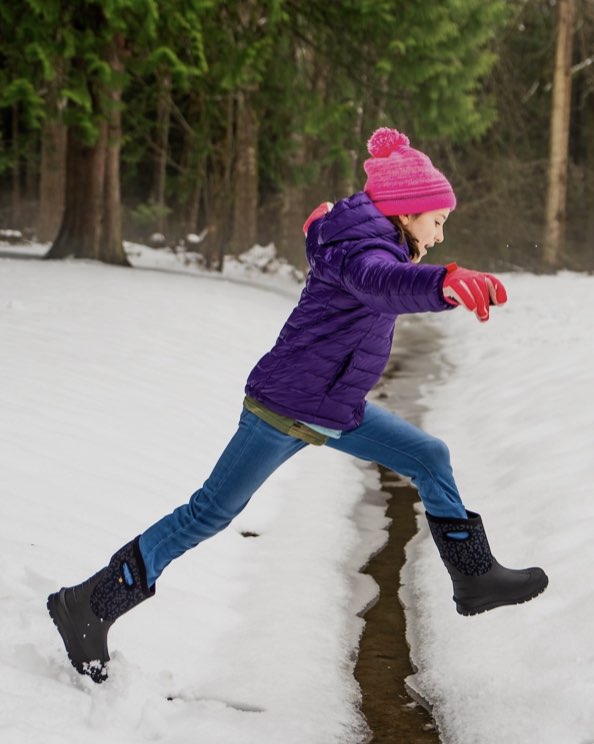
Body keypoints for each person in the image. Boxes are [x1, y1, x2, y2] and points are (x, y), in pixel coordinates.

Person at [47, 127, 548, 684]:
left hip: (333, 407)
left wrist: (402, 264)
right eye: (436, 222)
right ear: (406, 213)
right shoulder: (368, 251)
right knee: (208, 514)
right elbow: (381, 283)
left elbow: (360, 264)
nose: (438, 236)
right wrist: (446, 285)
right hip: (283, 406)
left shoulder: (369, 236)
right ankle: (86, 605)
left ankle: (473, 577)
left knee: (430, 456)